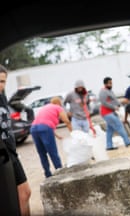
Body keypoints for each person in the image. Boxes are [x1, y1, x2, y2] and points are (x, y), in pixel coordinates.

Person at [0, 64, 31, 215]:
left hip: (11, 154)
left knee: (25, 193)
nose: (0, 85)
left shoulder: (2, 97)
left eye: (2, 81)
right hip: (2, 156)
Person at [30, 96, 72, 178]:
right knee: (53, 152)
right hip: (45, 128)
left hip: (33, 129)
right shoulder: (58, 107)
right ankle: (60, 171)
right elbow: (66, 120)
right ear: (59, 103)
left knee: (42, 153)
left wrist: (57, 136)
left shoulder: (45, 107)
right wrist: (73, 132)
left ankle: (47, 174)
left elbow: (44, 122)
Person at [98, 77, 130, 150]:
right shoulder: (103, 92)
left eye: (111, 83)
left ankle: (109, 146)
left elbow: (114, 100)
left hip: (111, 112)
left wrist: (119, 104)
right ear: (106, 83)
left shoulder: (109, 91)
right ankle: (127, 142)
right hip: (107, 113)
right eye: (110, 83)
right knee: (119, 126)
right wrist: (114, 107)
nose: (111, 84)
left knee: (109, 130)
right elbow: (104, 103)